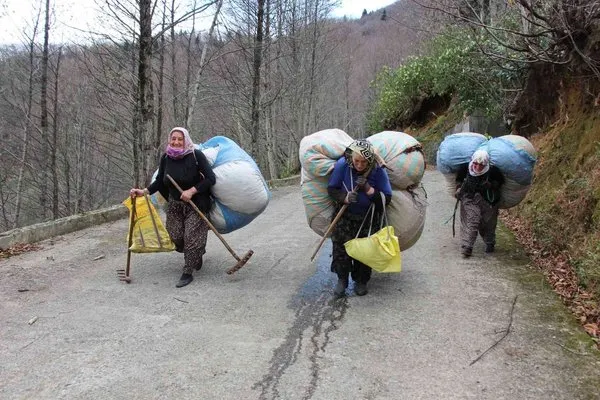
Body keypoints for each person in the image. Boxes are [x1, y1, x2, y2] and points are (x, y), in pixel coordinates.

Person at [130, 127, 216, 288]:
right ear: (169, 140)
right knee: (176, 237)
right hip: (175, 205)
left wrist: (191, 191)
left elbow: (211, 178)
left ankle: (188, 271)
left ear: (186, 140)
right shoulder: (166, 158)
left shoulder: (196, 156)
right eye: (173, 138)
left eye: (180, 139)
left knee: (191, 237)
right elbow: (160, 182)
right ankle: (197, 252)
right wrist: (143, 191)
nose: (176, 142)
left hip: (196, 204)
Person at [327, 139, 393, 297]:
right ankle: (342, 280)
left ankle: (361, 281)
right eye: (356, 161)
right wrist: (345, 197)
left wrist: (368, 189)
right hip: (344, 217)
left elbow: (387, 198)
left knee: (365, 251)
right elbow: (331, 189)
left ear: (370, 159)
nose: (360, 165)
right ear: (351, 158)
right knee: (341, 248)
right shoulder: (343, 165)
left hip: (367, 218)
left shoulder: (377, 170)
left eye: (364, 161)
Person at [455, 149, 504, 258]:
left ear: (486, 164)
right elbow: (458, 181)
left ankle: (489, 241)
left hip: (488, 200)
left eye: (481, 165)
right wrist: (458, 189)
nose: (477, 167)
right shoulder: (465, 168)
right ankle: (467, 246)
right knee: (472, 219)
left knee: (488, 223)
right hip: (469, 198)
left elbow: (500, 182)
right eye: (476, 164)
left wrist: (491, 185)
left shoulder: (493, 171)